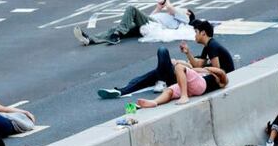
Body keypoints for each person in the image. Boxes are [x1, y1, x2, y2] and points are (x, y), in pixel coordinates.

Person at [97, 20, 235, 99]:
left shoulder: (213, 46)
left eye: (196, 32)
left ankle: (127, 89)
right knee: (155, 72)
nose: (194, 35)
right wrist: (187, 54)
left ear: (203, 33)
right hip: (193, 77)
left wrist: (184, 67)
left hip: (197, 80)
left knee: (162, 51)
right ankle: (123, 90)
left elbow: (216, 70)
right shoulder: (209, 46)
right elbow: (198, 64)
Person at [73, 0, 195, 46]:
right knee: (116, 29)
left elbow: (170, 8)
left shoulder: (185, 18)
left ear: (188, 13)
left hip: (154, 26)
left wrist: (167, 1)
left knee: (131, 9)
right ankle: (90, 39)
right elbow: (151, 17)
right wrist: (158, 8)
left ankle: (117, 35)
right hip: (149, 25)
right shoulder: (167, 15)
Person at [137, 63, 228, 108]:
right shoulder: (200, 74)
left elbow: (222, 73)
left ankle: (184, 96)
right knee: (169, 90)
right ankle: (155, 102)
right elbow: (190, 68)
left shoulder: (213, 76)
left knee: (179, 67)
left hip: (200, 85)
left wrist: (208, 69)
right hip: (191, 88)